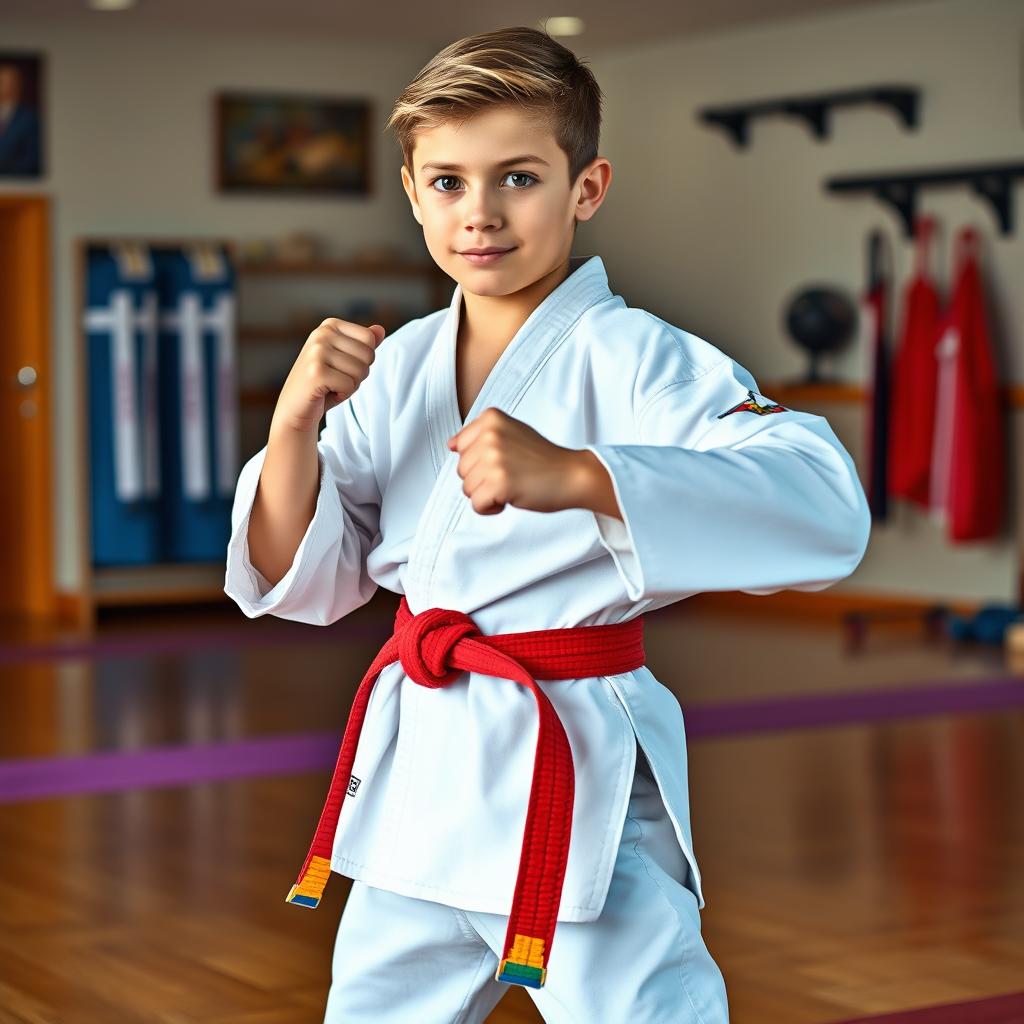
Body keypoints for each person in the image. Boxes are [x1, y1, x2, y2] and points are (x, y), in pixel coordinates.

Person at [223, 25, 871, 1024]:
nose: (478, 214)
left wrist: (581, 474)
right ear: (409, 190)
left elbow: (824, 503)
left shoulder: (642, 361)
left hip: (571, 776)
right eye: (446, 182)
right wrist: (293, 419)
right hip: (420, 778)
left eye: (517, 177)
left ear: (587, 186)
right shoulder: (394, 366)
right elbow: (296, 575)